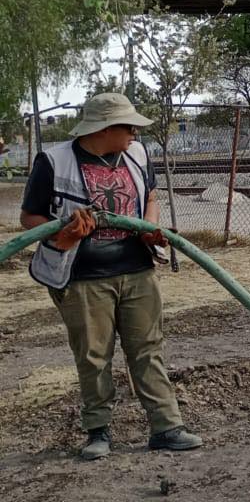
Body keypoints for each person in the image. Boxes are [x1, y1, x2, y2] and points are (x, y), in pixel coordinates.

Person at [19, 93, 202, 460]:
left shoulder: (136, 154)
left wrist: (148, 228)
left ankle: (166, 427)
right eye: (128, 126)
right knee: (94, 356)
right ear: (104, 129)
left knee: (148, 348)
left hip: (136, 270)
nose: (135, 133)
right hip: (83, 277)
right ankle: (98, 432)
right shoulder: (53, 162)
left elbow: (150, 195)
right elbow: (29, 219)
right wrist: (63, 233)